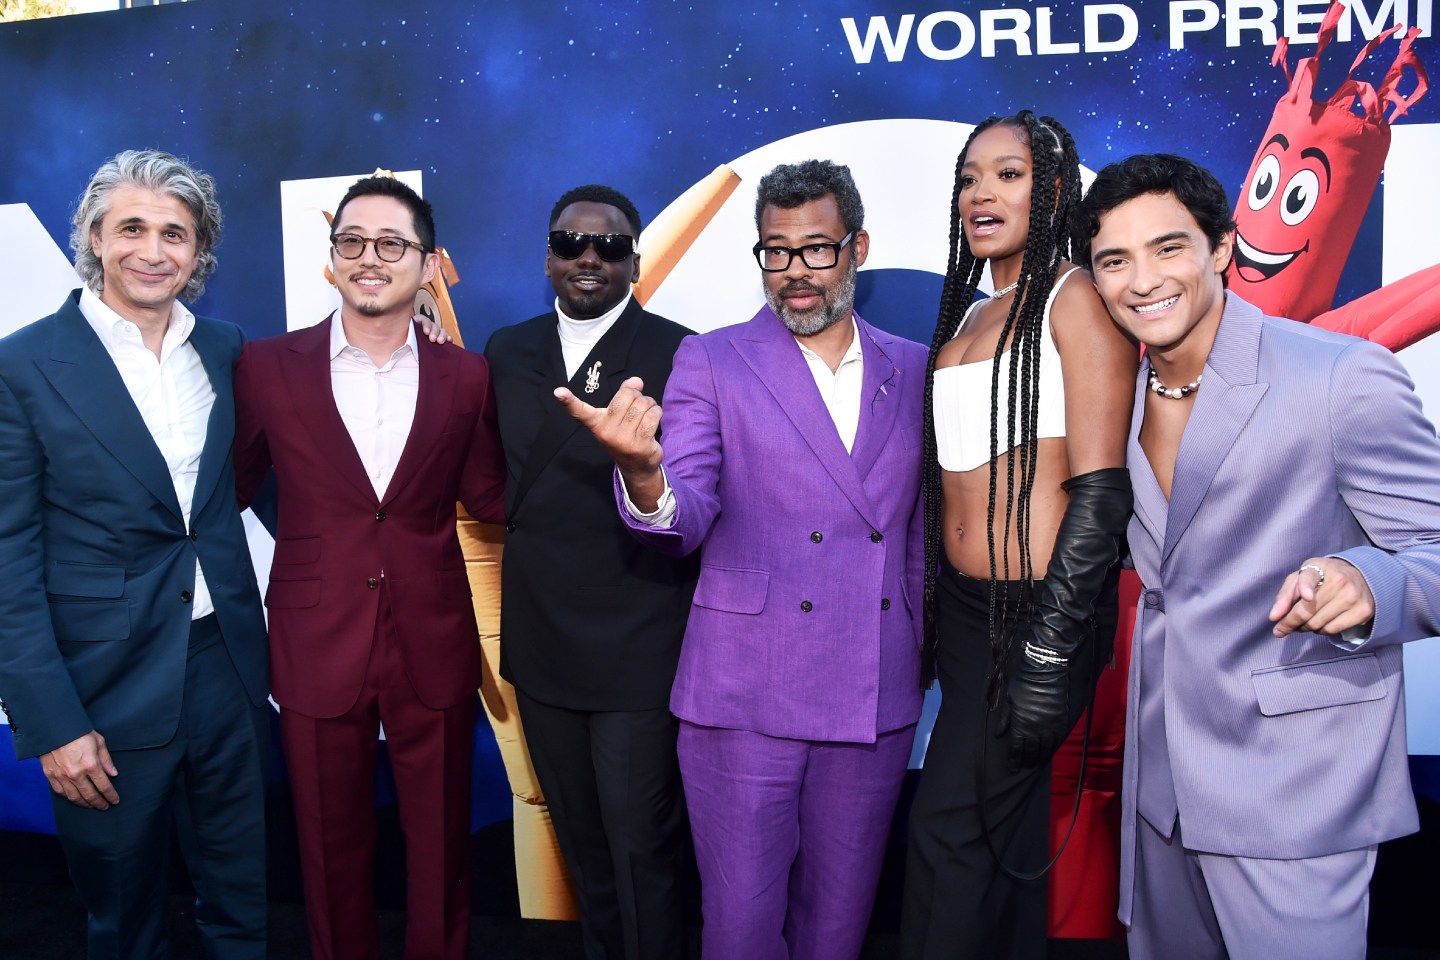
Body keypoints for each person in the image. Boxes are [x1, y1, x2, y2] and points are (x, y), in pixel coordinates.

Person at [1075, 152, 1440, 960]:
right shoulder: (1112, 396)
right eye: (1114, 260)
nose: (1143, 280)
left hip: (1293, 781)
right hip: (1159, 784)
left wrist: (1369, 580)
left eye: (1168, 247)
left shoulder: (1340, 375)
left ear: (1223, 248)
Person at [558, 159, 924, 960]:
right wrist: (643, 473)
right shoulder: (713, 360)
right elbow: (684, 515)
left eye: (817, 249)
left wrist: (917, 652)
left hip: (873, 688)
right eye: (776, 251)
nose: (795, 271)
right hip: (744, 691)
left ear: (857, 248)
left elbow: (920, 538)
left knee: (839, 926)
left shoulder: (914, 367)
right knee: (739, 926)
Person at [0, 149, 270, 959]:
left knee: (242, 904)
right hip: (101, 686)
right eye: (132, 229)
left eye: (174, 233)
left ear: (199, 250)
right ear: (94, 237)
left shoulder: (225, 348)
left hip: (226, 666)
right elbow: (8, 560)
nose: (153, 251)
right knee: (124, 921)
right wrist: (54, 725)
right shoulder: (22, 365)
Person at [232, 175, 506, 960]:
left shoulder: (468, 376)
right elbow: (226, 490)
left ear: (428, 264)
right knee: (327, 849)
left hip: (433, 635)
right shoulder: (265, 367)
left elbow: (492, 496)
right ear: (332, 258)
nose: (369, 258)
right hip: (315, 639)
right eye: (351, 241)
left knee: (442, 850)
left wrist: (611, 465)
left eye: (391, 243)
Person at [902, 111, 1138, 960]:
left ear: (1055, 189)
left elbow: (1103, 491)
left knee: (950, 833)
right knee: (999, 839)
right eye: (970, 177)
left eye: (1009, 174)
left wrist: (1050, 644)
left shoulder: (1076, 299)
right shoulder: (974, 309)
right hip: (970, 616)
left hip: (1040, 616)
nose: (982, 193)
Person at [485, 183, 697, 959]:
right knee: (582, 843)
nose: (588, 257)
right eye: (570, 243)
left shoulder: (681, 352)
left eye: (609, 246)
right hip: (542, 639)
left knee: (641, 842)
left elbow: (698, 497)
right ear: (547, 257)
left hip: (639, 639)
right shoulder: (506, 351)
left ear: (634, 262)